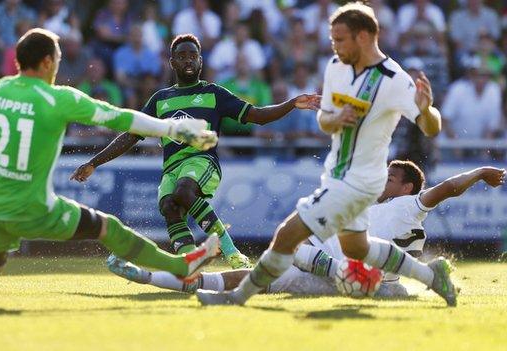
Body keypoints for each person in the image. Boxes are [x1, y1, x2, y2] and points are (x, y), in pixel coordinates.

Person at [0, 28, 220, 306]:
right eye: (58, 60)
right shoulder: (59, 99)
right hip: (33, 207)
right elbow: (119, 117)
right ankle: (180, 266)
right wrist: (172, 129)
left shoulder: (0, 90)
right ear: (48, 63)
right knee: (109, 229)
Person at [195, 2, 457, 307]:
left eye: (340, 39)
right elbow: (325, 120)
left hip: (361, 179)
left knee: (287, 236)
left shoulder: (394, 79)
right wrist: (333, 117)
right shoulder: (337, 67)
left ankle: (235, 298)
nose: (334, 46)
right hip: (337, 172)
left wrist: (426, 110)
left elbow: (431, 127)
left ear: (363, 37)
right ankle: (431, 275)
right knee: (359, 247)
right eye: (332, 39)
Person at [70, 34, 320, 269]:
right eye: (182, 55)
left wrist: (291, 103)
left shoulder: (214, 94)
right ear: (172, 62)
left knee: (183, 191)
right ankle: (189, 265)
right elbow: (130, 135)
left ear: (201, 60)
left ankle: (232, 252)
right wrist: (94, 162)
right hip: (171, 168)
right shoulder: (160, 99)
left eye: (193, 55)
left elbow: (258, 116)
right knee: (169, 205)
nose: (188, 59)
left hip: (203, 161)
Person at [105, 162, 506, 298]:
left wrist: (481, 173)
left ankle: (370, 282)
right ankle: (151, 278)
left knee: (295, 251)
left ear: (407, 187)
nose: (385, 179)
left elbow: (449, 188)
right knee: (257, 275)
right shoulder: (363, 206)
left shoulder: (411, 206)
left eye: (392, 176)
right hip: (327, 273)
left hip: (355, 276)